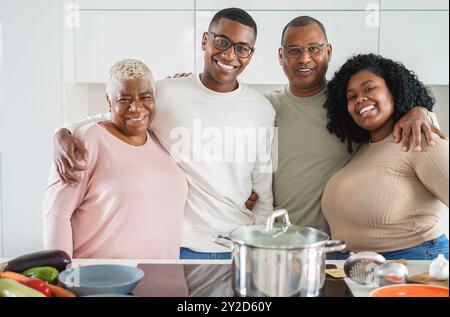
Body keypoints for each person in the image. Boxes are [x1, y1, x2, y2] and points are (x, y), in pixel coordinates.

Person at [52, 8, 275, 259]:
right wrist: (64, 131)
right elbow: (119, 113)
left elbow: (264, 191)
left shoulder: (262, 109)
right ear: (205, 40)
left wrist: (261, 248)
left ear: (250, 54)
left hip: (239, 246)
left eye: (242, 48)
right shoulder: (168, 93)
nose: (229, 54)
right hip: (178, 246)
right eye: (221, 41)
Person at [265, 16, 447, 234]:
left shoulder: (346, 105)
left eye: (314, 48)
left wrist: (420, 110)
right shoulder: (266, 107)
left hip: (336, 244)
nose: (304, 58)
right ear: (280, 55)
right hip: (280, 239)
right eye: (294, 50)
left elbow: (400, 113)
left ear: (328, 51)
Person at [43, 59, 188, 259]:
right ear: (109, 102)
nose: (136, 108)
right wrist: (61, 275)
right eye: (124, 99)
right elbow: (56, 215)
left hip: (162, 281)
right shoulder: (86, 141)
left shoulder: (161, 140)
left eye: (145, 97)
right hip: (100, 280)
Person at [321, 54, 449, 260]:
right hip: (356, 270)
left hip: (411, 264)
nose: (360, 99)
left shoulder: (421, 139)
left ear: (394, 90)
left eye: (369, 88)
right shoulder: (362, 150)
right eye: (351, 96)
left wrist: (420, 110)